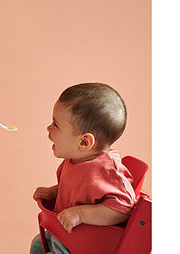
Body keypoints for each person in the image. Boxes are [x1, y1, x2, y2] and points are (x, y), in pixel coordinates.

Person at [29, 83, 135, 254]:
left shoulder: (106, 171)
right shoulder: (76, 160)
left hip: (84, 244)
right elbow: (81, 190)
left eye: (55, 125)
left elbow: (123, 209)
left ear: (84, 142)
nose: (48, 128)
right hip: (65, 234)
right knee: (37, 245)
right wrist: (54, 192)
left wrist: (80, 214)